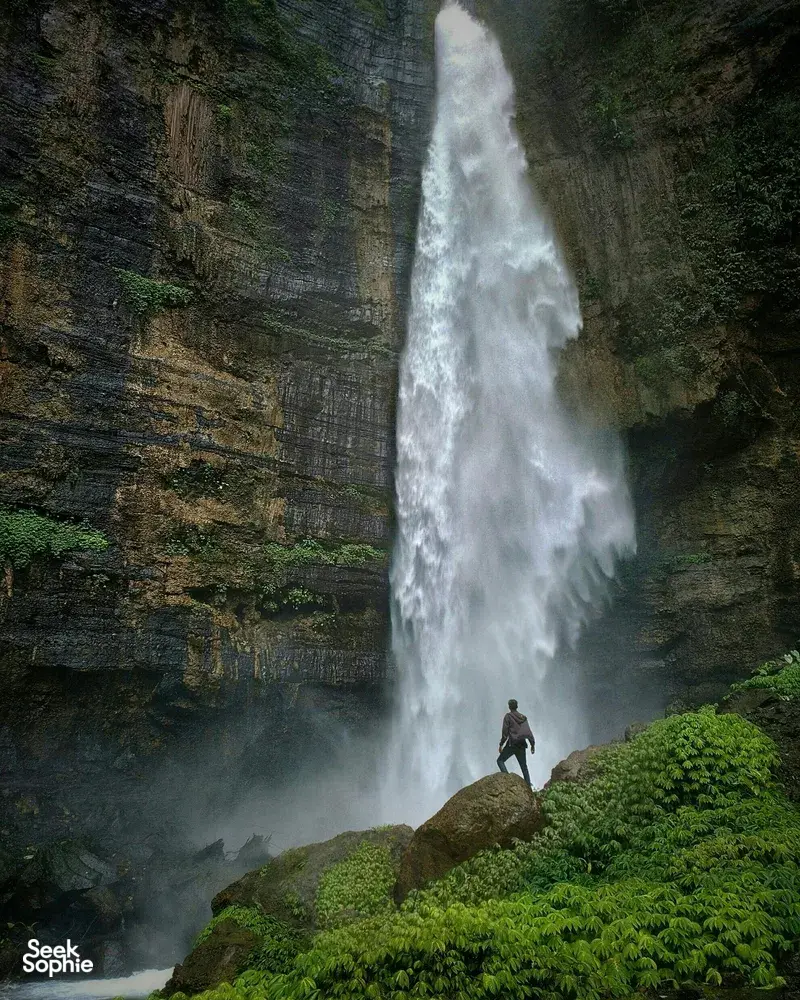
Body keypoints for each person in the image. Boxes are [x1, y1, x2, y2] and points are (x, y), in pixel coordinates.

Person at [497, 698, 535, 788]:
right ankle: (528, 786)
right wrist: (532, 745)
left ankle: (507, 779)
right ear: (517, 706)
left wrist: (501, 744)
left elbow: (505, 733)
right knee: (524, 767)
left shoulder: (508, 717)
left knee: (500, 761)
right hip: (522, 744)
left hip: (512, 744)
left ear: (509, 707)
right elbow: (528, 732)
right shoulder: (523, 718)